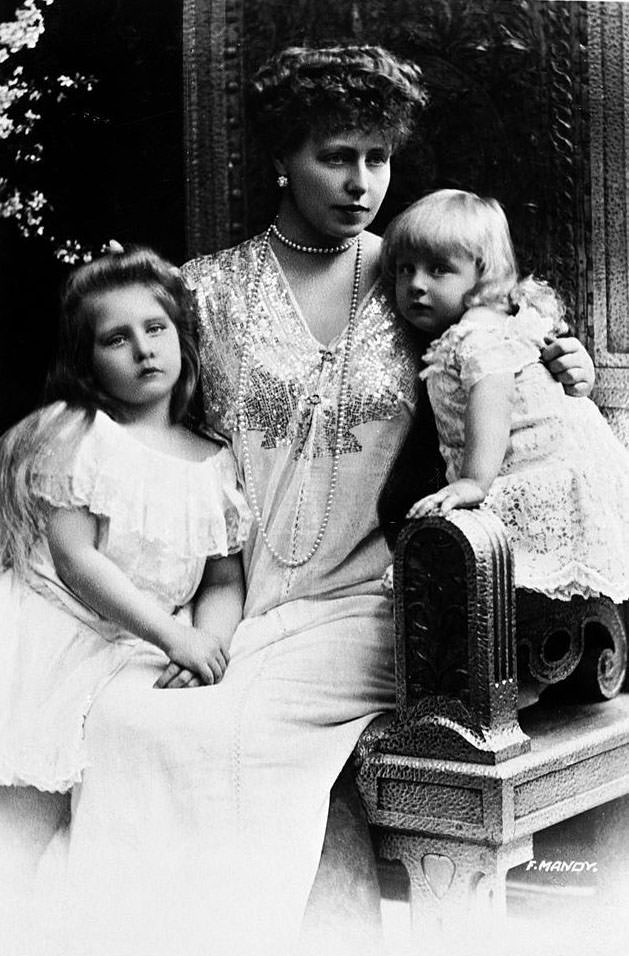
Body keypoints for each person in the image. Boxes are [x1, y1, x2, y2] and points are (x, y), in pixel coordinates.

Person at [1, 47, 595, 956]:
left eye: (377, 159)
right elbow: (132, 429)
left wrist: (568, 368)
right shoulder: (202, 292)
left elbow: (512, 362)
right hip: (225, 591)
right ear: (283, 158)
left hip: (366, 600)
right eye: (335, 157)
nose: (362, 183)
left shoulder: (417, 285)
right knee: (130, 720)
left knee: (228, 736)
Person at [0, 247, 251, 948]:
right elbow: (76, 559)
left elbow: (223, 580)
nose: (143, 350)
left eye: (156, 329)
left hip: (138, 640)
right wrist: (173, 637)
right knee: (21, 823)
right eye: (116, 338)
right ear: (86, 361)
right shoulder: (77, 433)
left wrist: (208, 644)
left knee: (130, 803)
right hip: (52, 629)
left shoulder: (215, 460)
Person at [381, 187, 629, 602]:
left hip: (534, 473)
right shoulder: (482, 326)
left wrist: (473, 483)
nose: (416, 285)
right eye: (405, 269)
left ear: (483, 276)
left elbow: (490, 401)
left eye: (438, 270)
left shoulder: (478, 334)